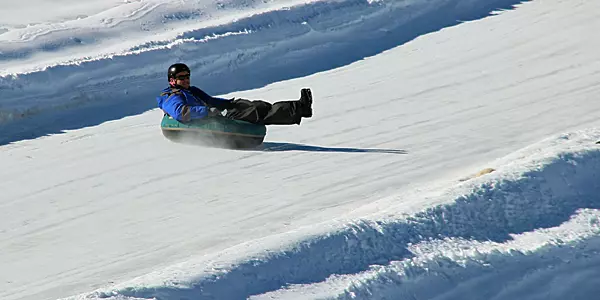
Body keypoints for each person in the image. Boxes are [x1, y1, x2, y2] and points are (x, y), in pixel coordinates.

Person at [156, 63, 313, 125]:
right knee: (254, 112)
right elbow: (180, 112)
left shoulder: (191, 90)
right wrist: (208, 111)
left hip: (213, 113)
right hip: (207, 119)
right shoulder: (170, 95)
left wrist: (228, 103)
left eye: (187, 76)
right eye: (181, 77)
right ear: (172, 80)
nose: (186, 80)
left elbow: (210, 100)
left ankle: (299, 106)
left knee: (255, 105)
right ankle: (299, 109)